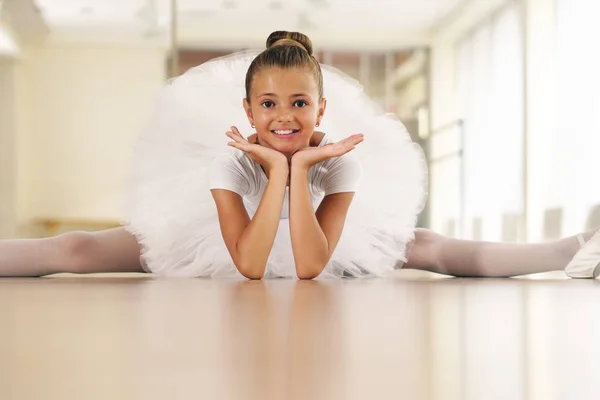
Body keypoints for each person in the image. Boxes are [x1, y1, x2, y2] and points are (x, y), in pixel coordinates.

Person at [0, 31, 598, 280]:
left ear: (321, 109)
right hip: (221, 242)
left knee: (429, 246)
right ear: (249, 111)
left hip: (324, 244)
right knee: (78, 248)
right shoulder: (227, 162)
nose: (284, 117)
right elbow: (250, 265)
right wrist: (280, 171)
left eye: (298, 103)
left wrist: (299, 170)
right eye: (268, 103)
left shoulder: (341, 162)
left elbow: (310, 266)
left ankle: (574, 249)